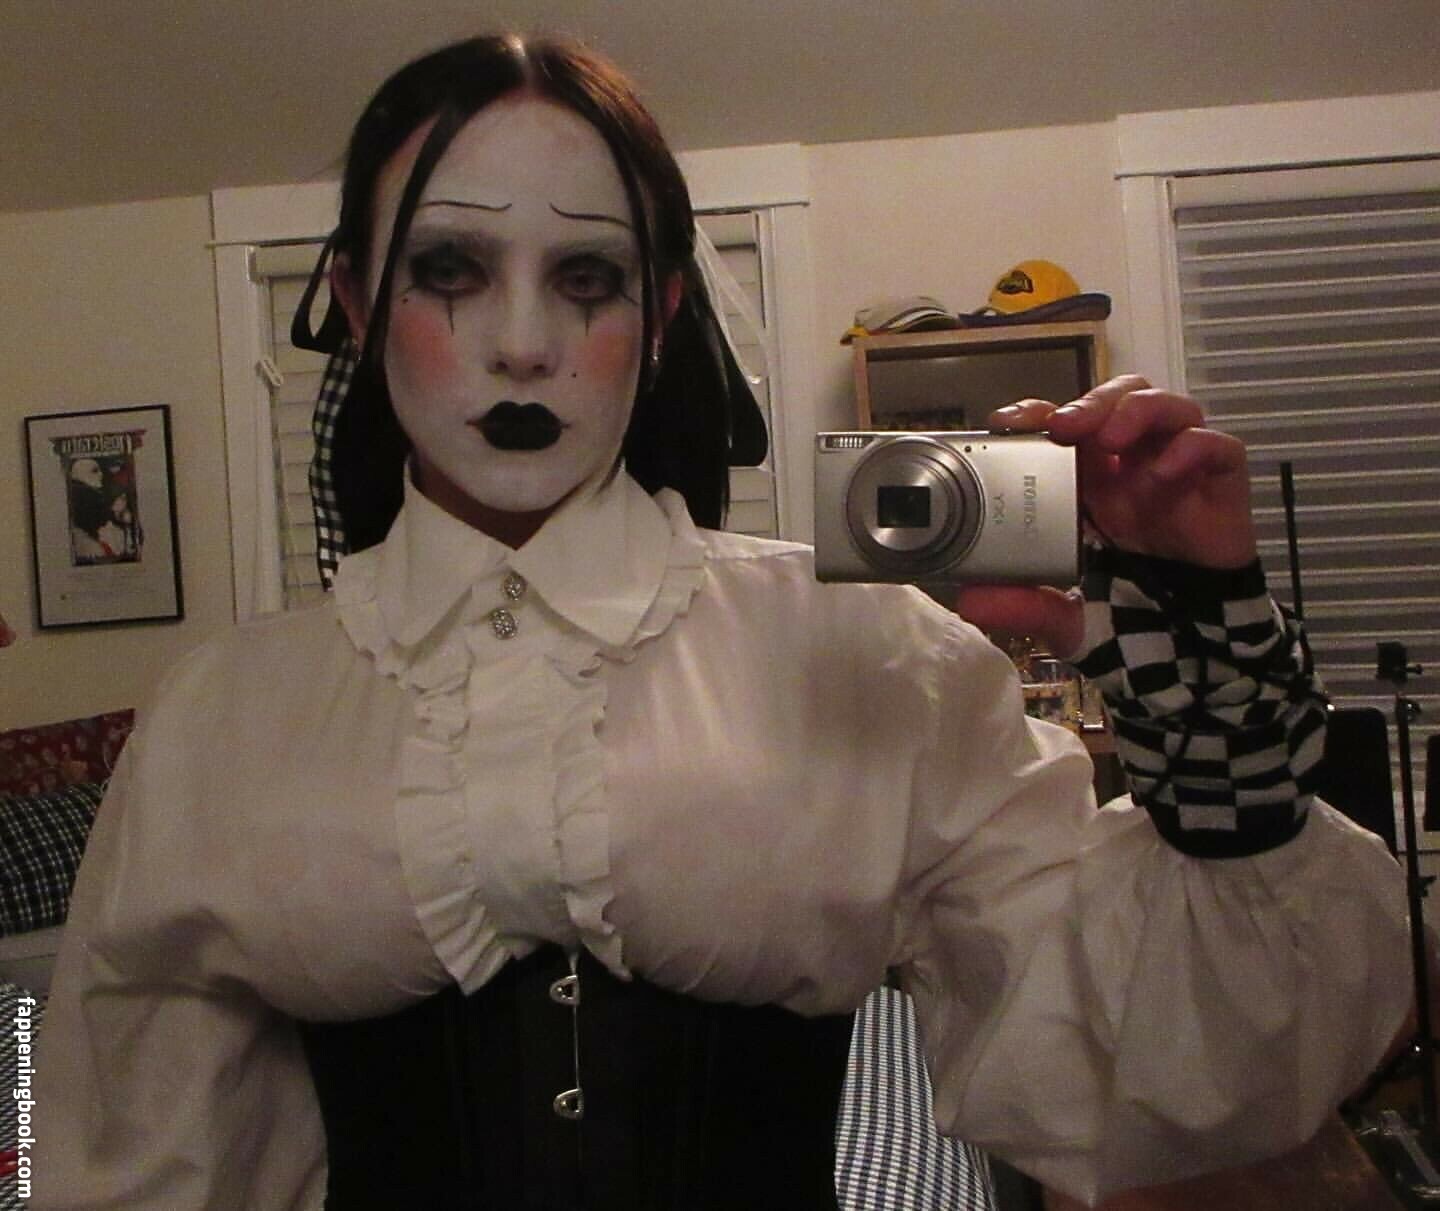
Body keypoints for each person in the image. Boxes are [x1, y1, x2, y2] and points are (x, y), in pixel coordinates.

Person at [35, 32, 1408, 1211]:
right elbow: (142, 1160)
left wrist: (1209, 677)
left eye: (588, 278)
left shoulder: (865, 656)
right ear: (353, 300)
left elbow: (1149, 1067)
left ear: (663, 309)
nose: (523, 343)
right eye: (450, 267)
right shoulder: (226, 719)